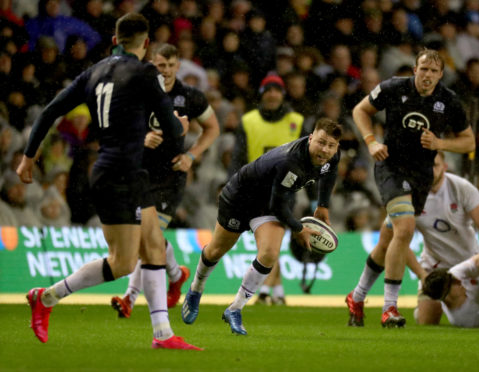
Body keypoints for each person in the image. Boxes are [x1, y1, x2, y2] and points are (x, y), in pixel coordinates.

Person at [17, 13, 200, 350]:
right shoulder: (145, 72)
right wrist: (180, 128)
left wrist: (28, 156)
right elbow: (172, 132)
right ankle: (45, 297)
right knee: (122, 263)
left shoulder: (93, 72)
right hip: (119, 175)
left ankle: (163, 335)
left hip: (120, 171)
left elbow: (49, 112)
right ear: (146, 45)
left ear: (115, 41)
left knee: (155, 245)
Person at [350, 49, 475, 328]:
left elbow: (469, 142)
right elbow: (360, 110)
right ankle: (389, 308)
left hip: (421, 176)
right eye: (423, 69)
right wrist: (371, 141)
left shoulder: (449, 101)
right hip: (390, 167)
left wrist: (440, 144)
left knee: (387, 241)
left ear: (440, 74)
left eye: (433, 71)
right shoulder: (394, 87)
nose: (427, 75)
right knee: (405, 229)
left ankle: (357, 296)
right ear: (414, 69)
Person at [181, 118, 342, 335]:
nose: (325, 150)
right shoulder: (291, 162)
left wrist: (323, 205)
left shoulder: (331, 156)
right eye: (321, 142)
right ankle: (195, 289)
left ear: (337, 147)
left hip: (266, 205)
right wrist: (298, 228)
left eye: (331, 145)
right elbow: (278, 205)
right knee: (216, 250)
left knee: (269, 253)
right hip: (239, 198)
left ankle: (235, 309)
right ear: (311, 138)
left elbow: (330, 173)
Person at [110, 43, 220, 318]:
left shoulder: (189, 96)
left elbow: (213, 128)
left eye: (172, 66)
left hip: (170, 177)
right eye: (161, 65)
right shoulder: (140, 92)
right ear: (152, 63)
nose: (167, 71)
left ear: (178, 66)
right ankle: (176, 274)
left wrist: (192, 156)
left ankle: (129, 298)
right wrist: (141, 139)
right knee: (148, 238)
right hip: (140, 173)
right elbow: (118, 129)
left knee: (144, 238)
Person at [345, 152, 479, 326]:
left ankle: (361, 296)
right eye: (427, 166)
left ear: (445, 167)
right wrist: (422, 274)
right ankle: (368, 299)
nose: (431, 170)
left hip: (469, 265)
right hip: (433, 270)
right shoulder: (409, 195)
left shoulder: (461, 188)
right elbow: (393, 240)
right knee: (427, 322)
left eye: (435, 165)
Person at [229, 73, 306, 306]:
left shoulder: (298, 121)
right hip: (255, 188)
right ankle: (278, 291)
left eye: (277, 90)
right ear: (262, 95)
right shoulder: (248, 121)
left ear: (283, 94)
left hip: (286, 189)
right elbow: (237, 157)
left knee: (271, 242)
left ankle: (263, 292)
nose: (272, 95)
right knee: (270, 244)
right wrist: (230, 183)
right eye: (268, 90)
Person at [421, 248, 479, 329]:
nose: (459, 281)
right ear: (446, 295)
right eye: (453, 283)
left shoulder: (454, 273)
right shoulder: (465, 318)